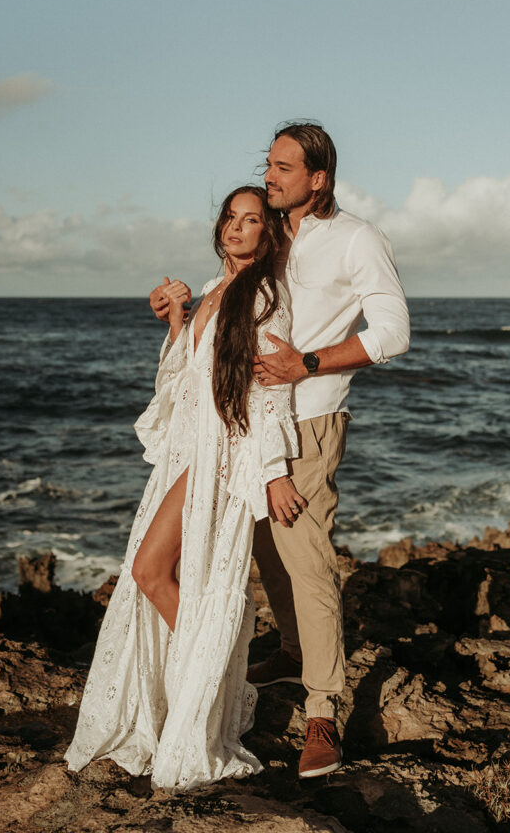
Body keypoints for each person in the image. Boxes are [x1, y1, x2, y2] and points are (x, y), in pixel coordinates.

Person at [149, 122, 410, 780]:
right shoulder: (264, 237)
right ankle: (293, 651)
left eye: (283, 168)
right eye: (267, 166)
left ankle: (323, 709)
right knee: (264, 551)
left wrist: (308, 363)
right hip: (242, 430)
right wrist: (180, 314)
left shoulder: (356, 239)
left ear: (317, 178)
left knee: (306, 560)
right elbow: (228, 326)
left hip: (307, 424)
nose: (270, 178)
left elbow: (393, 333)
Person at [65, 186, 300, 793]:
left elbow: (269, 390)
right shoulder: (212, 289)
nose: (238, 227)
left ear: (268, 234)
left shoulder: (267, 295)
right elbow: (184, 379)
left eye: (252, 220)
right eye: (231, 217)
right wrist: (178, 320)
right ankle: (216, 683)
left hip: (220, 453)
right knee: (165, 578)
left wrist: (271, 472)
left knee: (148, 571)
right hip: (184, 453)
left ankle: (219, 687)